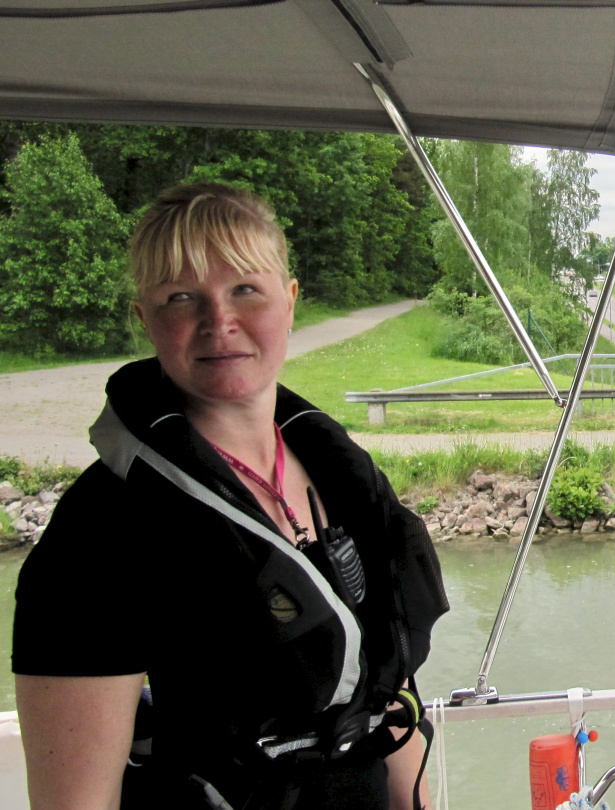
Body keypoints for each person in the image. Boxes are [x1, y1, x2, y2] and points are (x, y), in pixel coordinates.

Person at [12, 183, 449, 809]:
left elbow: (387, 689)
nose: (220, 322)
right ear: (145, 319)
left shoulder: (345, 480)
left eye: (246, 288)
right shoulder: (101, 529)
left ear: (290, 301)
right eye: (180, 297)